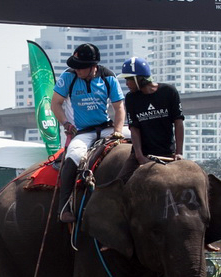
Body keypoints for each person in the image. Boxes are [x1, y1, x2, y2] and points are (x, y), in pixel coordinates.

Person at [51, 43, 126, 222]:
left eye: (80, 67)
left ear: (93, 66)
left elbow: (119, 107)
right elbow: (55, 103)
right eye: (75, 65)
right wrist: (66, 123)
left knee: (141, 141)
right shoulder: (68, 76)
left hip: (107, 128)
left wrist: (117, 131)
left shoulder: (108, 77)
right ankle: (64, 207)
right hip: (84, 133)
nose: (76, 69)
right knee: (72, 158)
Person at [118, 57, 184, 165]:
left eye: (128, 79)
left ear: (138, 79)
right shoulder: (131, 98)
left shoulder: (169, 92)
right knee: (120, 180)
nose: (126, 84)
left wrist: (179, 152)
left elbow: (178, 121)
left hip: (167, 154)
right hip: (142, 155)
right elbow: (134, 128)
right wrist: (139, 156)